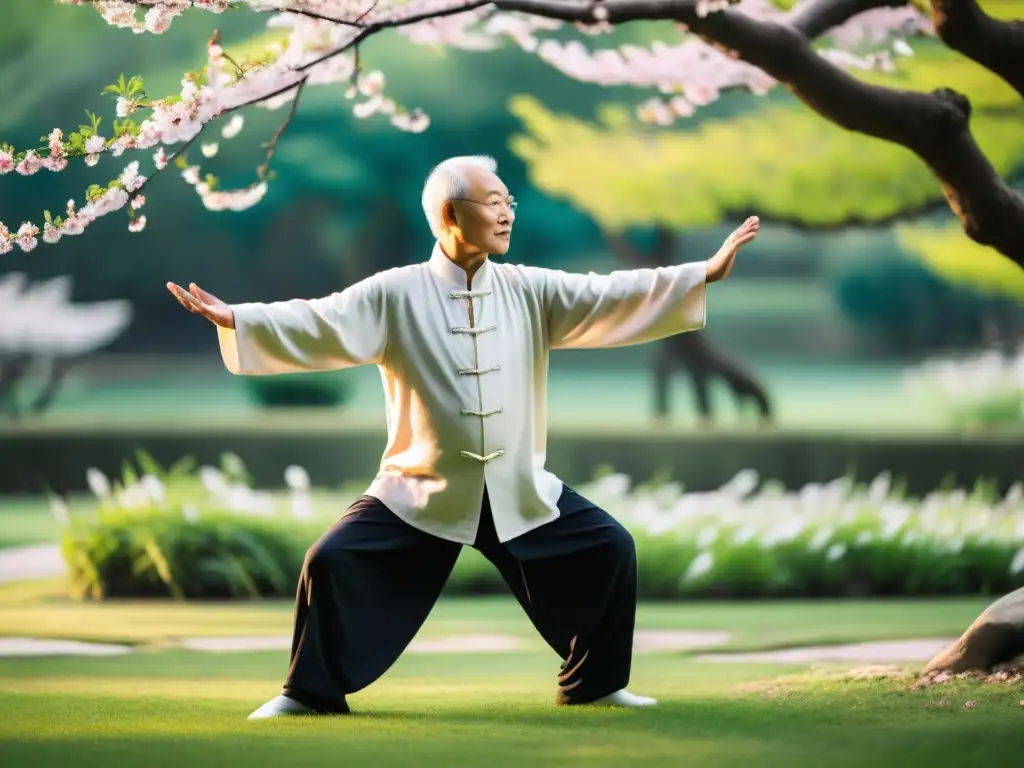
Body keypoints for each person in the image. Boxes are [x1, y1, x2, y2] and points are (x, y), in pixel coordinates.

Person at [167, 155, 760, 719]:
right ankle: (307, 693)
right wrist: (242, 318)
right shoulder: (393, 292)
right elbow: (324, 318)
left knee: (609, 548)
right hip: (419, 487)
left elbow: (607, 294)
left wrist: (700, 273)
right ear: (451, 214)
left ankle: (595, 686)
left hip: (518, 486)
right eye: (493, 202)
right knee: (329, 560)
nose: (507, 214)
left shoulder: (530, 289)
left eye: (509, 202)